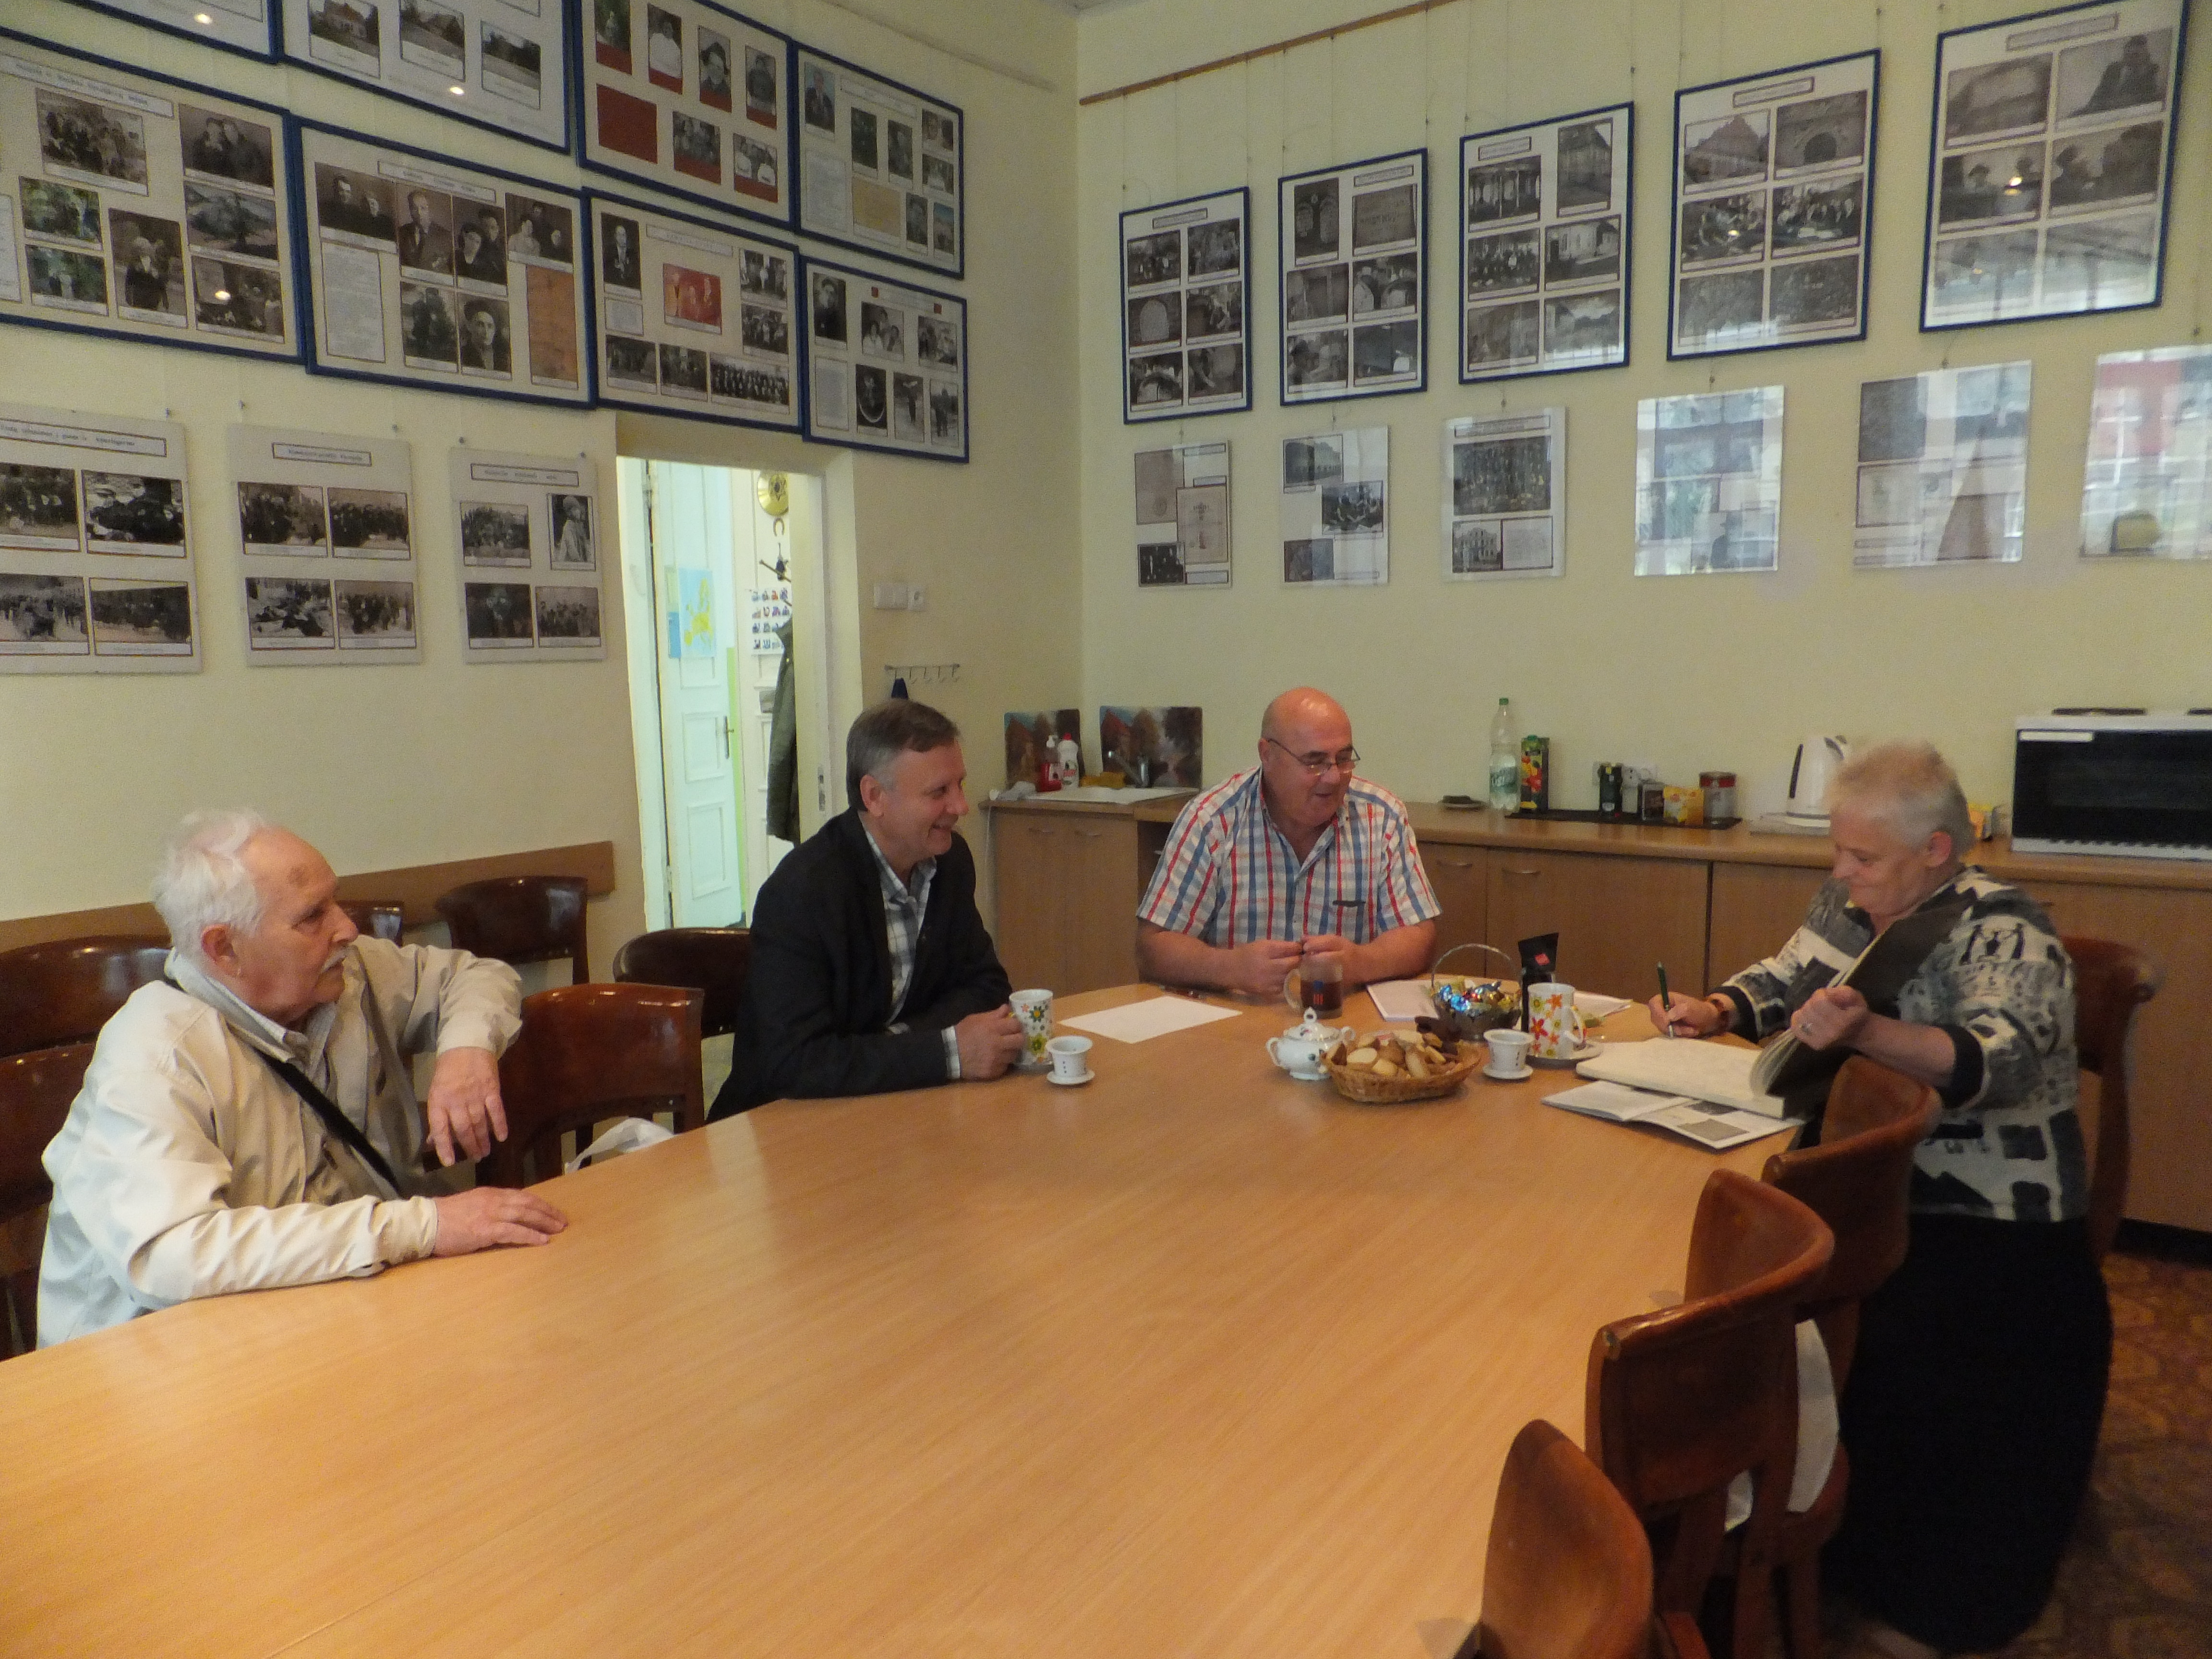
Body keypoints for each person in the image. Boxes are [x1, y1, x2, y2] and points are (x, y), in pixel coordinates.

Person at [1648, 743, 2105, 1657]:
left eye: (1863, 859)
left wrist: (1872, 1032)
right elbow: (1791, 976)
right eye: (1838, 851)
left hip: (1992, 1217)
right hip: (1880, 1183)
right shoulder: (1854, 899)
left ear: (1938, 850)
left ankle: (1930, 1595)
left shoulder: (2005, 930)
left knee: (1892, 1344)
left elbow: (1996, 1059)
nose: (1840, 874)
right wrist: (1717, 1008)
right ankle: (1776, 1528)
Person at [38, 811, 565, 1346]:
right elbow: (173, 1257)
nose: (347, 928)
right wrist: (422, 1227)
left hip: (320, 1323)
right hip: (149, 1373)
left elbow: (474, 977)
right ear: (225, 949)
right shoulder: (153, 1054)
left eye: (335, 900)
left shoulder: (347, 974)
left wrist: (466, 1049)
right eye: (312, 917)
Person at [709, 700, 1022, 1117]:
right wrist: (946, 1051)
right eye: (939, 792)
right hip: (784, 1129)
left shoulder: (950, 862)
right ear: (875, 796)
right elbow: (793, 1063)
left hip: (897, 1108)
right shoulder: (802, 892)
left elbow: (986, 988)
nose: (961, 807)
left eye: (959, 785)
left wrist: (890, 1045)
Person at [1136, 688, 1440, 998]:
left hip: (1342, 1020)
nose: (1334, 777)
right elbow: (1154, 946)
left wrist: (1363, 963)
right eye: (1314, 761)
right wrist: (1229, 968)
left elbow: (1418, 935)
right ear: (1268, 755)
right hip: (1236, 1022)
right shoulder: (1212, 820)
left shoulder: (1381, 816)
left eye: (1344, 759)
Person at [396, 190, 450, 274]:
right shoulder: (401, 233)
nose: (419, 213)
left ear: (429, 209)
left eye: (423, 208)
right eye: (415, 209)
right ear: (410, 210)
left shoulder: (444, 236)